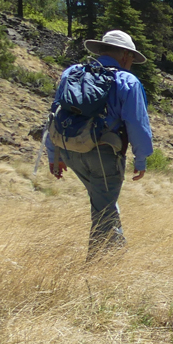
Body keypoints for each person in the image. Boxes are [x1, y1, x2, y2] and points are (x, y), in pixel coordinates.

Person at [45, 30, 153, 259]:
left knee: (103, 203)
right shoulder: (127, 81)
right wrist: (141, 158)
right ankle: (98, 266)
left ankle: (119, 254)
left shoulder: (72, 72)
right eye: (132, 58)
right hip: (103, 153)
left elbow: (55, 113)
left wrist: (53, 154)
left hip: (69, 149)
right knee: (104, 209)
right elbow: (137, 123)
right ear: (125, 55)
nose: (132, 63)